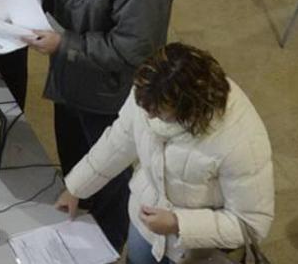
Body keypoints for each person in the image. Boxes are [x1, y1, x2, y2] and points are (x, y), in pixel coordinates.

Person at [25, 0, 175, 250]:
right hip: (69, 75)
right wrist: (24, 2)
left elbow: (136, 47)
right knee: (74, 165)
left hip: (109, 95)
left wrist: (64, 44)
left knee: (107, 178)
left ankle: (108, 247)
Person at [54, 43, 274, 264]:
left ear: (189, 108)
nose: (148, 117)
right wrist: (77, 187)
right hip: (145, 224)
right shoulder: (149, 91)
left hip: (196, 251)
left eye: (158, 112)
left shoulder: (242, 142)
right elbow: (118, 142)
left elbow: (251, 224)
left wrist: (179, 223)